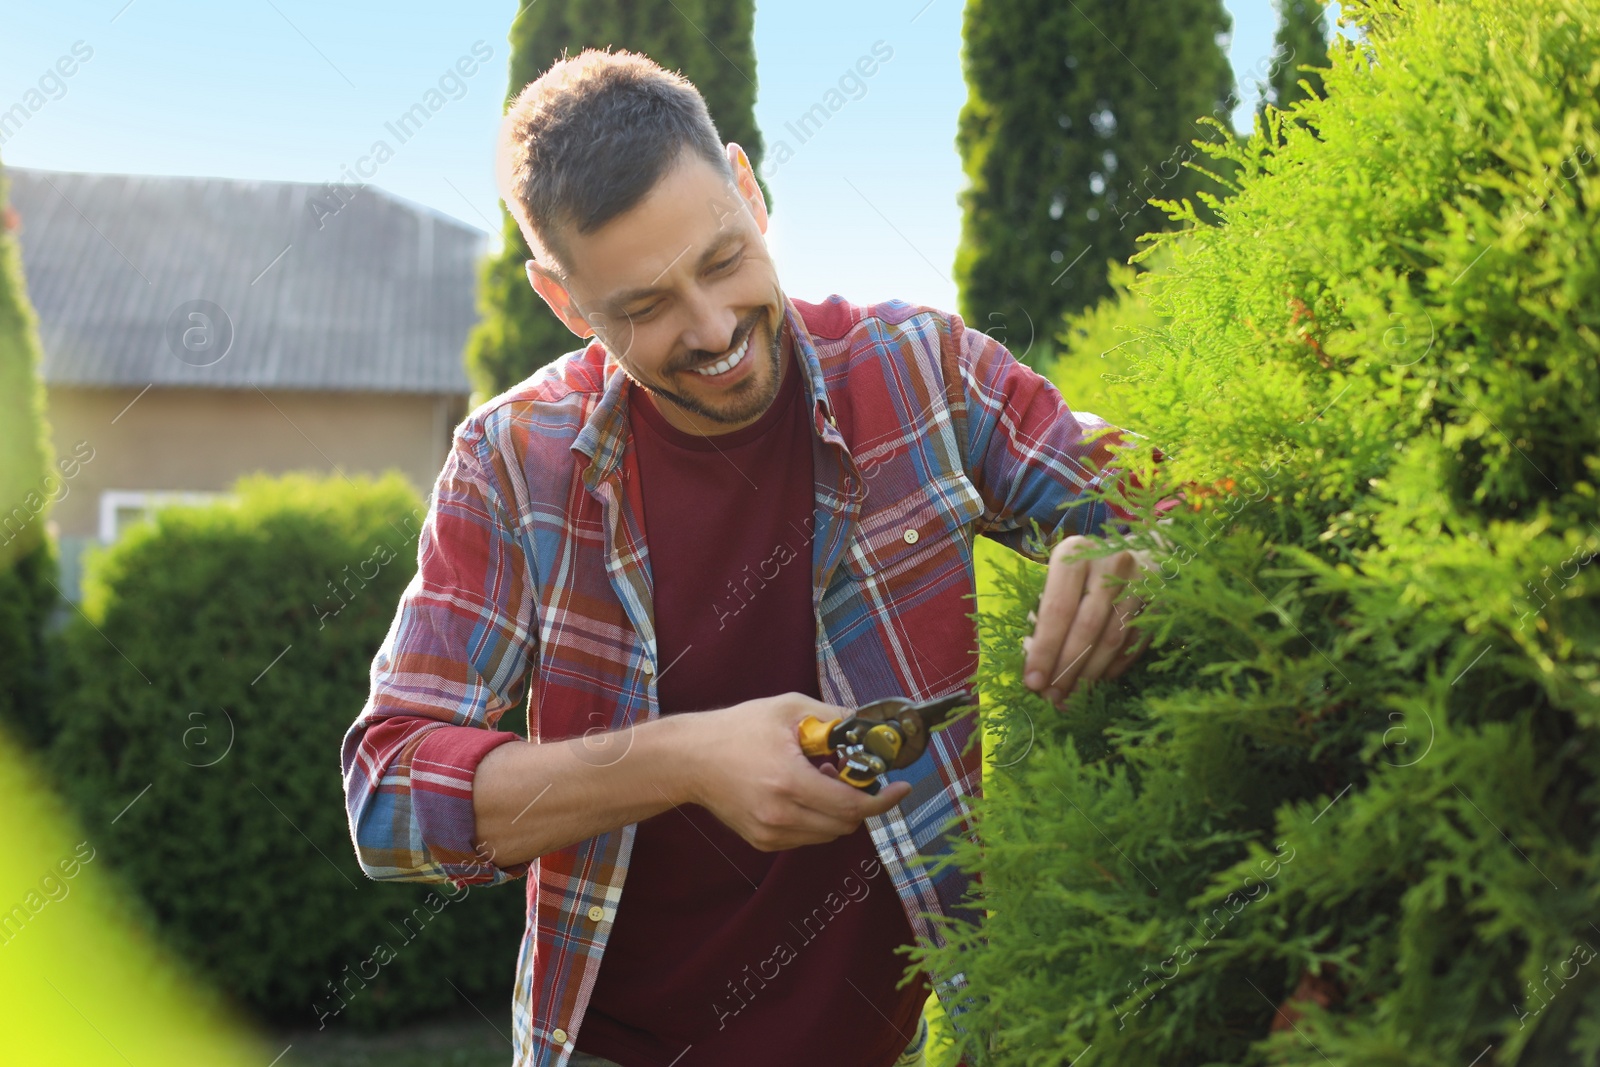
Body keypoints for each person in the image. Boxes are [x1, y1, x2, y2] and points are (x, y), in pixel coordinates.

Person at [340, 47, 1153, 1067]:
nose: (714, 327)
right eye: (645, 308)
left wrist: (1133, 546)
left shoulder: (921, 373)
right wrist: (685, 758)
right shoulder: (513, 464)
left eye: (721, 260)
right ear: (563, 301)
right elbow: (391, 797)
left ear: (748, 187)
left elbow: (1146, 501)